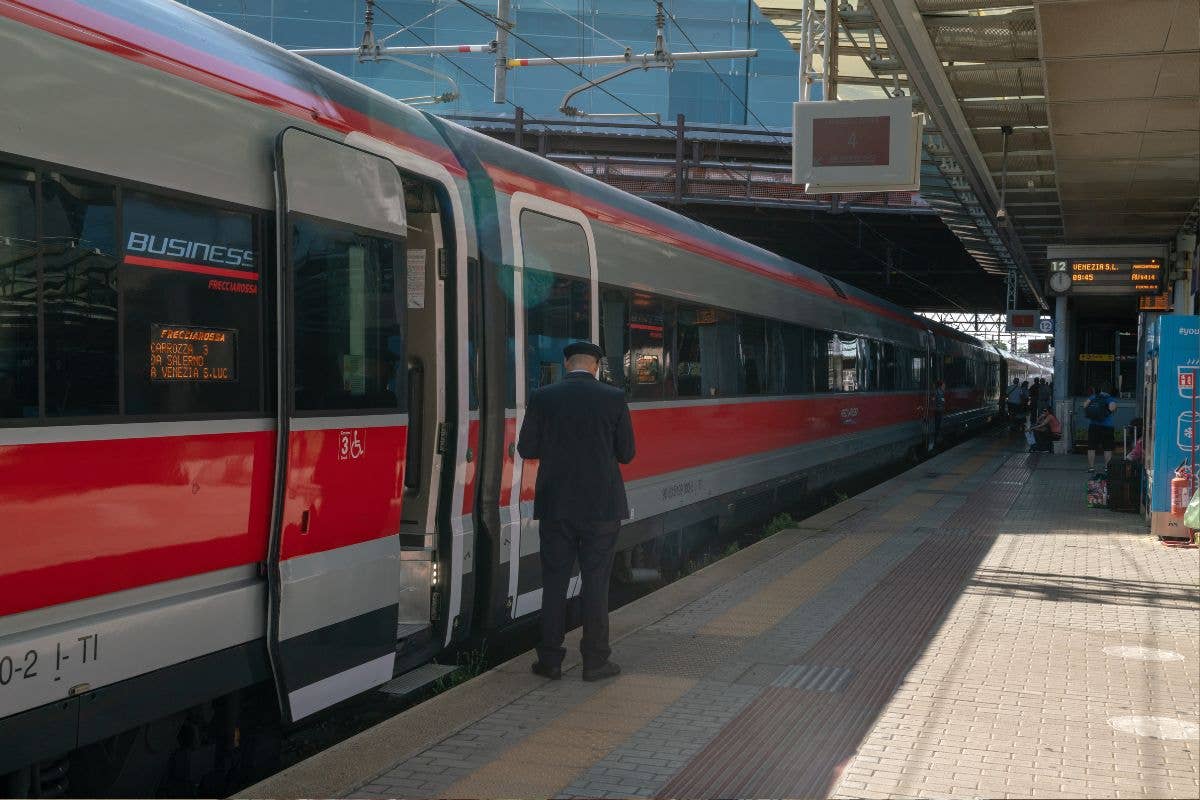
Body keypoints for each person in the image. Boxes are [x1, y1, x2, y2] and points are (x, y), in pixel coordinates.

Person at [518, 341, 636, 682]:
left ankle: (551, 661)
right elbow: (626, 453)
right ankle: (596, 662)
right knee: (596, 583)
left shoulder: (543, 397)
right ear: (596, 365)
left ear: (566, 363)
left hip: (556, 506)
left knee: (554, 582)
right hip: (601, 507)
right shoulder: (613, 398)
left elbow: (527, 448)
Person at [1084, 385, 1118, 472]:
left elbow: (1085, 405)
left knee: (1091, 447)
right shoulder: (1110, 398)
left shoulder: (1094, 396)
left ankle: (1091, 467)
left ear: (1101, 389)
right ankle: (1107, 467)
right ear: (1110, 391)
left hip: (1093, 425)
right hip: (1107, 426)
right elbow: (1112, 408)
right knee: (1107, 448)